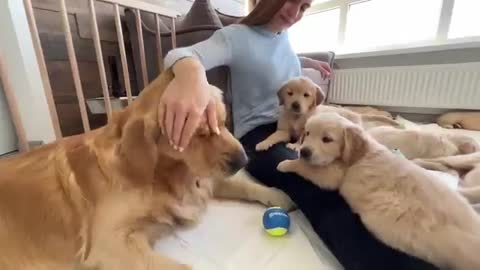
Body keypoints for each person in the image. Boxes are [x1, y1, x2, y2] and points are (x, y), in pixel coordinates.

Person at [159, 0, 438, 269]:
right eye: (291, 1)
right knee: (317, 184)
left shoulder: (282, 38)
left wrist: (308, 63)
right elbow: (181, 54)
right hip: (259, 133)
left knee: (367, 164)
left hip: (302, 128)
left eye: (304, 7)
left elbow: (274, 58)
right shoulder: (235, 37)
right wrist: (191, 75)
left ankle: (429, 235)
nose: (295, 13)